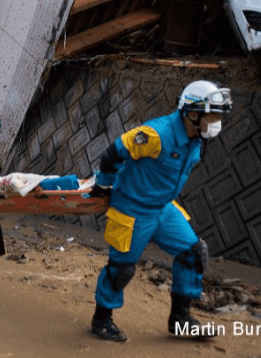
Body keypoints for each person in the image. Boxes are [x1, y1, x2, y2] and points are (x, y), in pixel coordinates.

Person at [89, 80, 231, 342]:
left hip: (162, 209)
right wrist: (104, 183)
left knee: (193, 252)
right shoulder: (156, 135)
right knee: (121, 269)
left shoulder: (195, 138)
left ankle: (180, 320)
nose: (217, 121)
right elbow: (112, 153)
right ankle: (101, 319)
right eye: (213, 114)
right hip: (132, 209)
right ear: (192, 112)